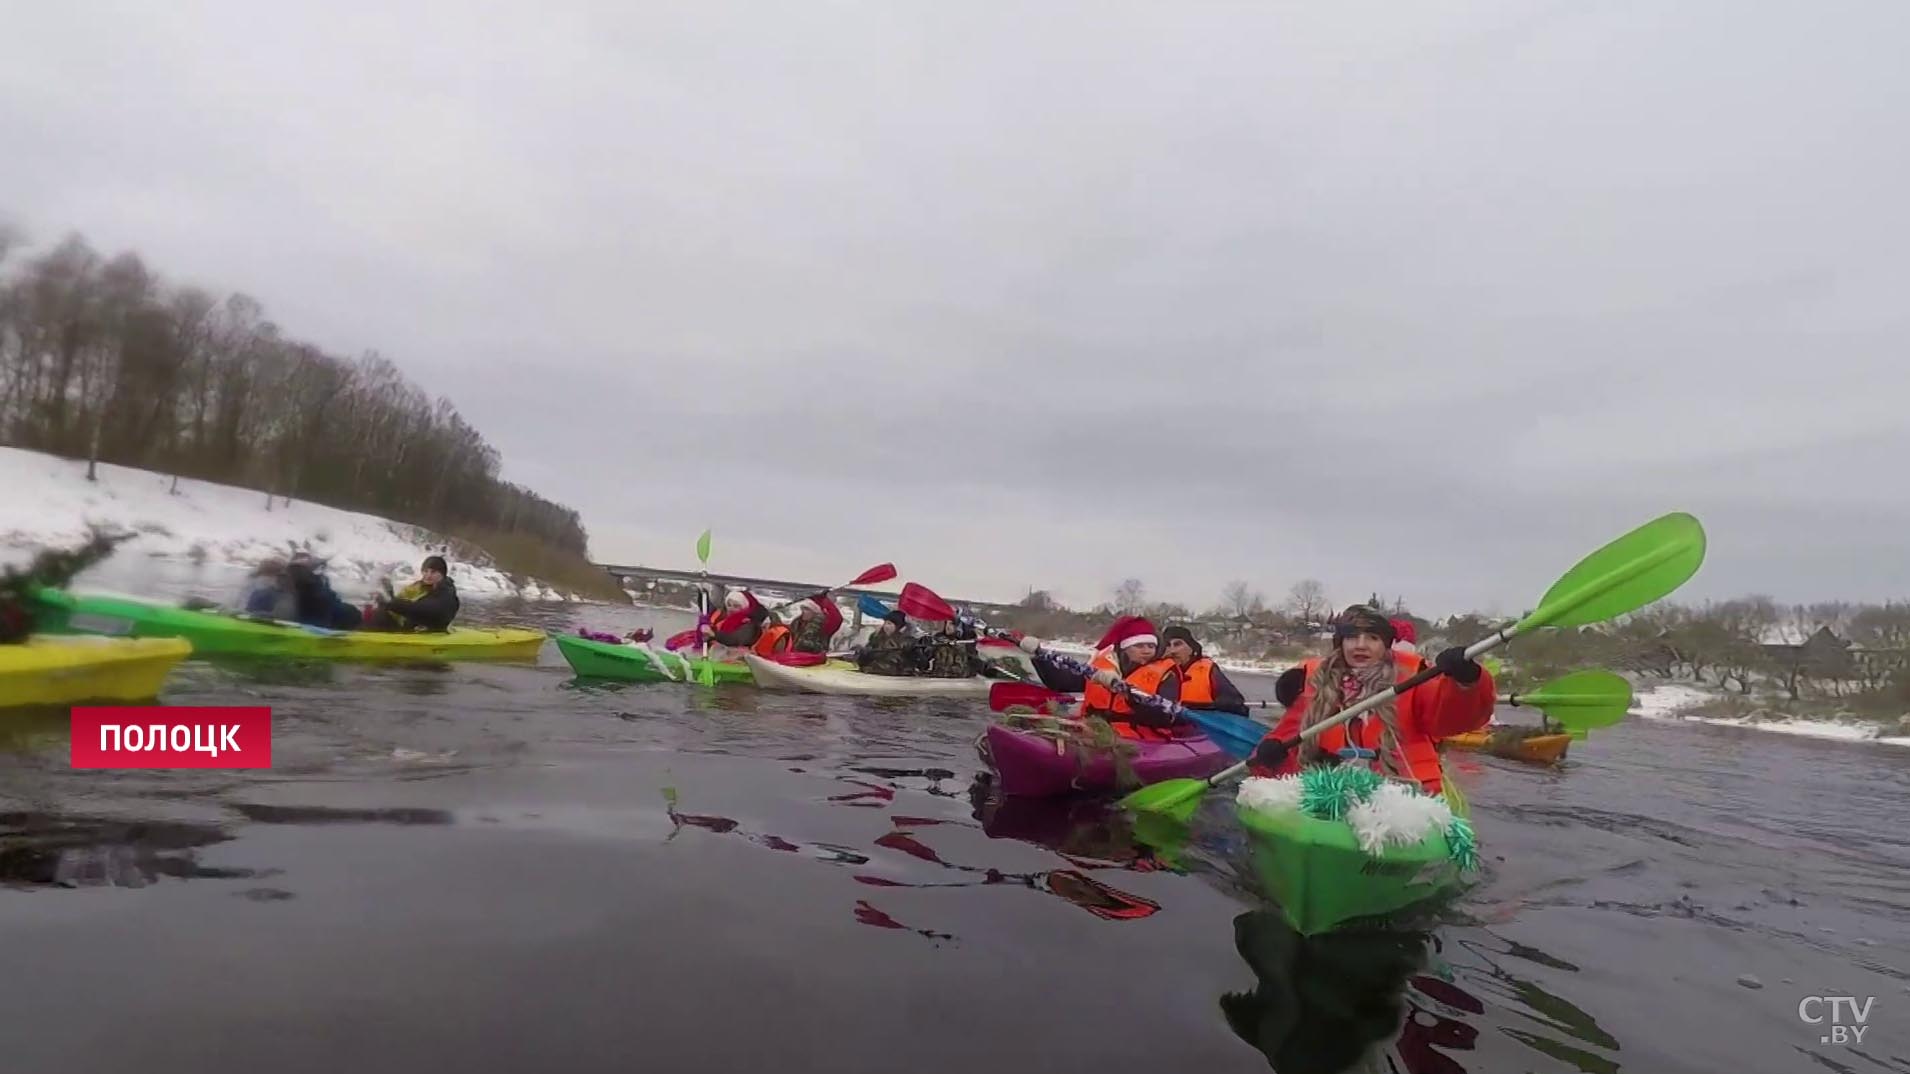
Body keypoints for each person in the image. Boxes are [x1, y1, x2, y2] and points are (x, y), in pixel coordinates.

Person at [1250, 604, 1492, 794]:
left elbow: (1452, 719)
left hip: (1400, 792)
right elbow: (1288, 733)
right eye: (1352, 637)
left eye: (1373, 638)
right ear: (1340, 643)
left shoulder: (1416, 678)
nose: (1361, 645)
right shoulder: (1315, 680)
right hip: (1325, 787)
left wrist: (1466, 681)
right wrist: (1272, 752)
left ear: (1386, 645)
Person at [1161, 624, 1250, 716]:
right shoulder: (1160, 673)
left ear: (1191, 647)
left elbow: (1236, 704)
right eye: (1168, 645)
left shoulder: (1209, 671)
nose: (1172, 651)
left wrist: (1207, 707)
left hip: (1199, 725)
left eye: (1177, 644)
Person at [366, 555, 460, 632]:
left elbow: (423, 609)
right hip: (405, 625)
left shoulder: (447, 593)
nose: (428, 575)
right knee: (371, 613)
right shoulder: (418, 586)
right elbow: (400, 600)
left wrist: (390, 602)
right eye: (425, 571)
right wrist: (387, 593)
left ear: (443, 574)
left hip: (421, 630)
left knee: (379, 617)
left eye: (433, 572)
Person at [287, 555, 362, 630]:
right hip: (315, 624)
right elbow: (324, 600)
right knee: (351, 612)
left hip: (319, 618)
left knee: (350, 612)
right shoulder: (307, 584)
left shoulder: (316, 581)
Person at [855, 610, 917, 676]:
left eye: (889, 624)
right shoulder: (876, 638)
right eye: (885, 623)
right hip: (873, 676)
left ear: (899, 626)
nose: (886, 626)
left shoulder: (906, 642)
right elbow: (866, 655)